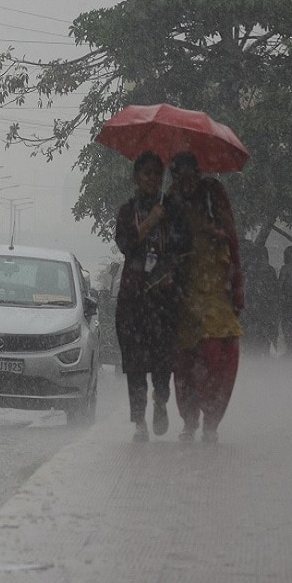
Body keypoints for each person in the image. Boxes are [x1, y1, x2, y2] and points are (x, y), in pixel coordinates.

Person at [167, 153, 244, 443]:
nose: (184, 182)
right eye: (178, 176)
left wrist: (237, 291)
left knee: (217, 360)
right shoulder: (171, 200)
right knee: (185, 363)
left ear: (198, 174)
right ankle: (189, 420)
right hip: (184, 296)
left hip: (216, 295)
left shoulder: (213, 194)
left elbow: (232, 241)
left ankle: (211, 421)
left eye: (189, 175)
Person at [113, 151, 176, 441]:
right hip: (134, 299)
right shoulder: (127, 212)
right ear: (136, 178)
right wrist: (150, 221)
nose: (152, 178)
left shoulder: (171, 209)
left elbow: (182, 245)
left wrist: (171, 272)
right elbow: (126, 245)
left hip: (164, 300)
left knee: (164, 358)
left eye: (156, 173)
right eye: (146, 173)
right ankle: (139, 421)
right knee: (135, 363)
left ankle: (161, 401)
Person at [240, 239, 278, 357]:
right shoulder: (269, 271)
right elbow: (275, 293)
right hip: (263, 315)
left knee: (250, 346)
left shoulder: (246, 270)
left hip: (251, 314)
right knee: (262, 345)